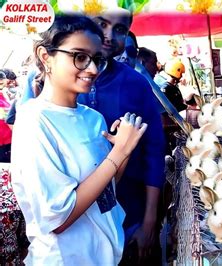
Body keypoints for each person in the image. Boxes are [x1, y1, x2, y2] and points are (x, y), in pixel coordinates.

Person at [10, 15, 147, 264]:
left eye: (96, 59)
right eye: (79, 56)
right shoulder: (34, 121)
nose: (92, 69)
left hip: (104, 254)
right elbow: (57, 220)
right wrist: (117, 154)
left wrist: (122, 151)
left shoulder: (93, 119)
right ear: (45, 57)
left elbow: (105, 191)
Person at [77, 9, 166, 263]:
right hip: (79, 222)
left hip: (130, 214)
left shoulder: (136, 83)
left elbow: (154, 151)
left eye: (119, 29)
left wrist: (149, 221)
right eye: (101, 24)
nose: (108, 35)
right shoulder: (63, 82)